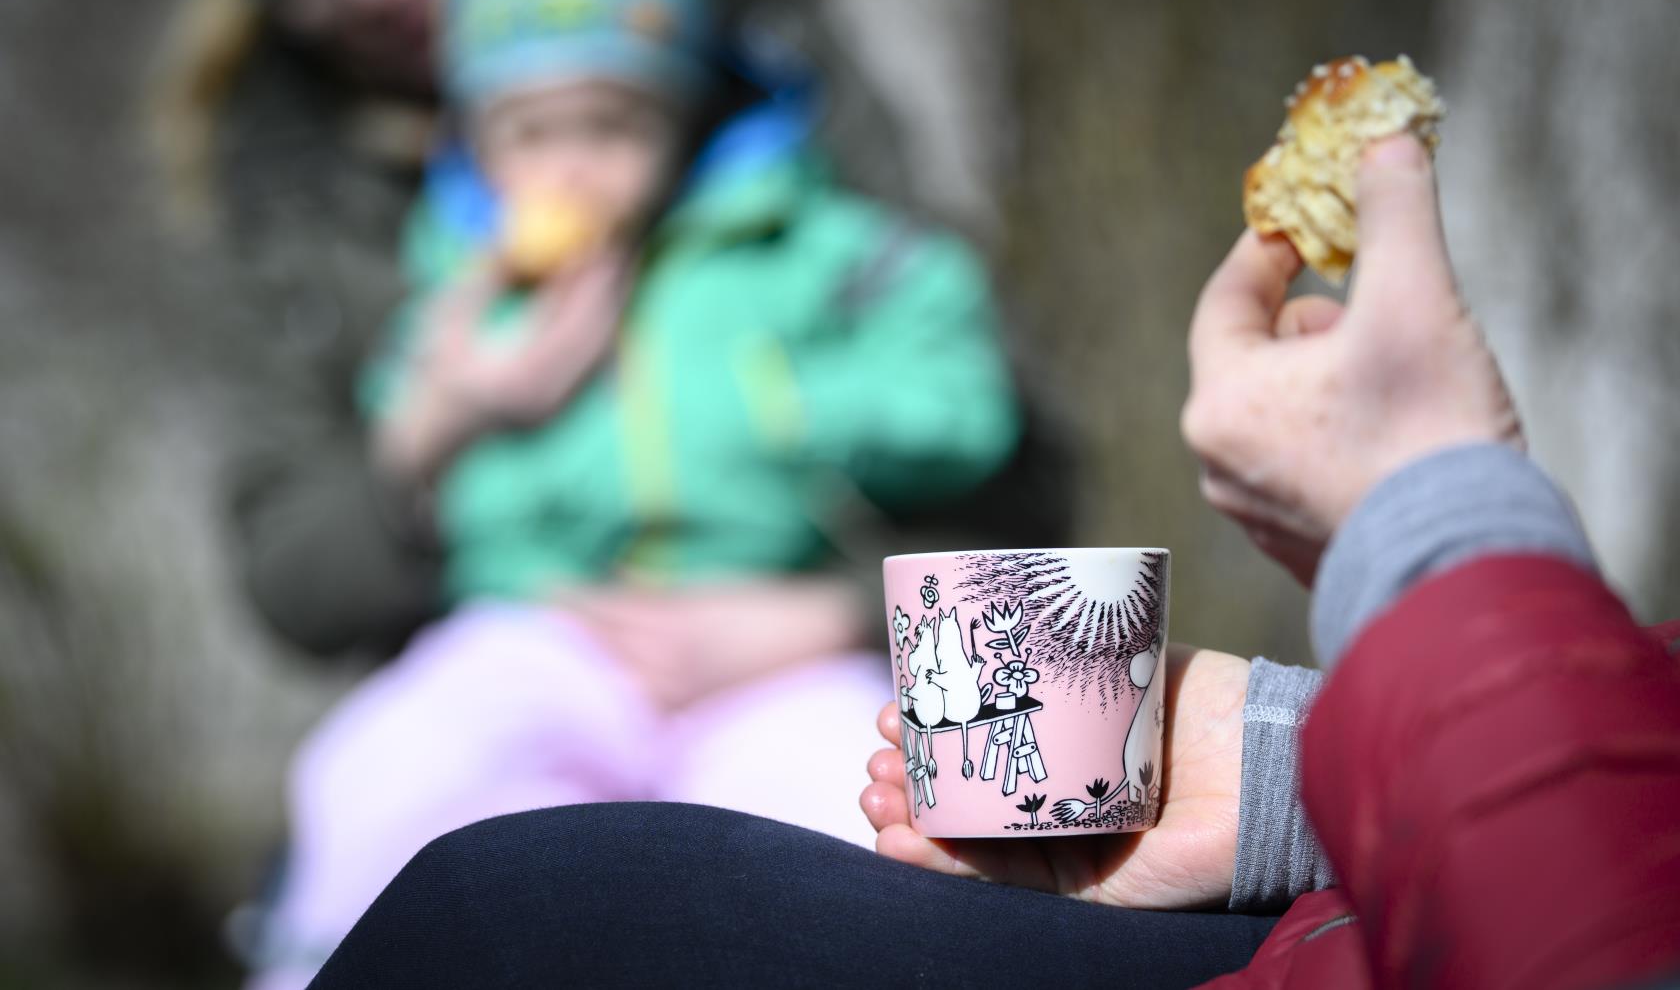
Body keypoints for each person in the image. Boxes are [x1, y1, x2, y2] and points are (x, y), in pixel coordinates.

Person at [297, 131, 1680, 989]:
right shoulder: (441, 291)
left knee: (526, 917)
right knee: (461, 864)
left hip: (1421, 911)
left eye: (609, 116)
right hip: (1362, 902)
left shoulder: (829, 251)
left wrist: (1427, 508)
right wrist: (1284, 773)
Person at [243, 0, 1024, 986]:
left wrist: (782, 404)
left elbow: (965, 397)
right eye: (529, 135)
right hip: (539, 627)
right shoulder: (453, 288)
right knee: (382, 778)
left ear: (677, 114)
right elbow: (353, 496)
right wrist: (450, 413)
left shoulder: (786, 240)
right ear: (474, 143)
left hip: (774, 638)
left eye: (610, 127)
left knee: (859, 798)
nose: (570, 166)